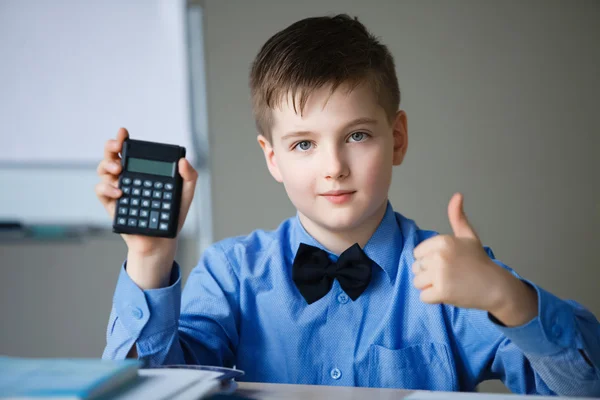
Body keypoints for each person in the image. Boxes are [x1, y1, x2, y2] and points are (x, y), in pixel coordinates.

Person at [96, 14, 600, 395]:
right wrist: (148, 259)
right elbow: (145, 391)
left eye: (357, 135)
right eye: (303, 144)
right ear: (271, 158)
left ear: (397, 137)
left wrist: (506, 297)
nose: (334, 166)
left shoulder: (452, 277)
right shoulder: (231, 276)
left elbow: (583, 388)